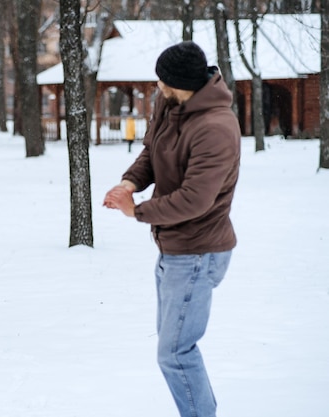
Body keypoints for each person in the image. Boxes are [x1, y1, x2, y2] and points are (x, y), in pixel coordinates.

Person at [103, 41, 241, 417]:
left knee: (176, 354)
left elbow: (196, 199)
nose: (158, 87)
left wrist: (138, 211)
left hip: (199, 252)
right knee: (173, 351)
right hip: (175, 249)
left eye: (163, 81)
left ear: (181, 83)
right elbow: (151, 149)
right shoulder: (172, 102)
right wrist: (130, 183)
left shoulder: (216, 128)